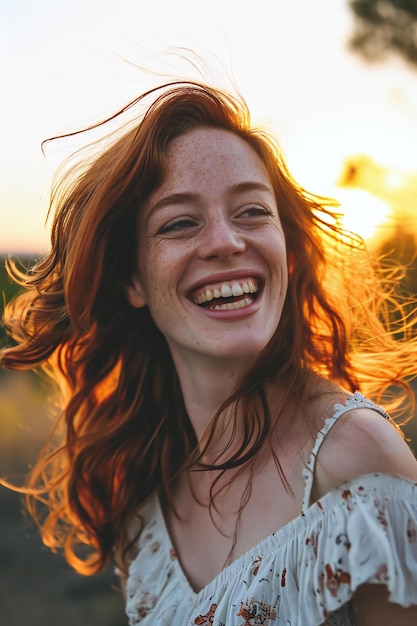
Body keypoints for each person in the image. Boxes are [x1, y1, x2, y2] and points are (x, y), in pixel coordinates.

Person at [1, 79, 417, 626]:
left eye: (251, 212)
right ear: (134, 281)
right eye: (179, 222)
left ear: (287, 253)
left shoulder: (357, 464)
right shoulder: (148, 482)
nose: (225, 241)